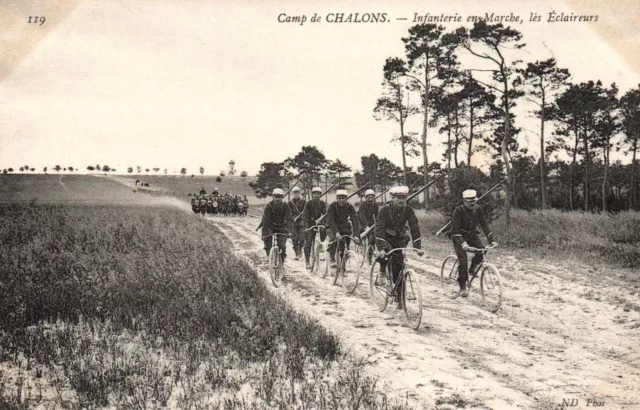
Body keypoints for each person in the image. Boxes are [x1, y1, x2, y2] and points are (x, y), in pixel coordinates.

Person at [375, 186, 424, 309]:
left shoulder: (408, 210)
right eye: (398, 198)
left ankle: (399, 295)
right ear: (392, 198)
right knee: (385, 254)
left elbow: (414, 227)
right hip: (386, 237)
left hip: (399, 239)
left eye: (404, 198)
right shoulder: (384, 210)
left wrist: (418, 247)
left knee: (399, 267)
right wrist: (381, 248)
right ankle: (382, 270)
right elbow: (379, 228)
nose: (401, 200)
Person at [450, 189, 497, 297]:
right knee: (463, 262)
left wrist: (491, 240)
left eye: (474, 201)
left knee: (482, 251)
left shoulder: (478, 209)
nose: (472, 203)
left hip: (472, 235)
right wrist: (463, 244)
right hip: (459, 237)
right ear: (464, 201)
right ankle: (462, 286)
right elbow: (455, 230)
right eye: (469, 201)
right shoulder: (458, 211)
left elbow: (484, 224)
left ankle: (472, 269)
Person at [326, 189, 360, 269]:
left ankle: (343, 265)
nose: (341, 200)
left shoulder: (350, 207)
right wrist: (336, 232)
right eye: (339, 198)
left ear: (346, 199)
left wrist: (356, 235)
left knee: (345, 245)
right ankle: (332, 259)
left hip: (344, 227)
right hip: (332, 227)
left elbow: (355, 220)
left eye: (343, 198)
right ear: (337, 198)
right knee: (334, 238)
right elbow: (331, 221)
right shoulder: (332, 206)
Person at [261, 188, 293, 264]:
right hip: (271, 226)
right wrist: (264, 234)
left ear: (282, 197)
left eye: (279, 197)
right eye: (276, 196)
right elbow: (265, 220)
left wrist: (290, 231)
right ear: (273, 197)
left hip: (282, 227)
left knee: (282, 246)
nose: (277, 199)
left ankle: (281, 263)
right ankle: (270, 258)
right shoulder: (269, 206)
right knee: (267, 241)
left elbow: (289, 219)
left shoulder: (285, 206)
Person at [301, 187, 327, 269]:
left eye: (318, 194)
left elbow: (325, 214)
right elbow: (305, 215)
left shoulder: (323, 203)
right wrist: (305, 226)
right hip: (309, 224)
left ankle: (321, 247)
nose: (317, 195)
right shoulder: (308, 203)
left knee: (324, 230)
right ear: (312, 195)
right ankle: (307, 261)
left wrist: (324, 223)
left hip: (319, 223)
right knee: (308, 241)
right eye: (315, 194)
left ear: (320, 195)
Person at [358, 189, 378, 262]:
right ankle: (360, 245)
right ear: (366, 198)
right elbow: (362, 216)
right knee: (359, 229)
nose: (370, 199)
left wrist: (377, 224)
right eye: (368, 197)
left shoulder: (375, 205)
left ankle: (370, 251)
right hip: (361, 221)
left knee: (373, 235)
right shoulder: (362, 205)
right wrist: (366, 226)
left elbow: (377, 215)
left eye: (372, 197)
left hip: (371, 222)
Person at [288, 186, 306, 260]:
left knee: (302, 238)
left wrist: (302, 218)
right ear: (293, 193)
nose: (296, 194)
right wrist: (292, 218)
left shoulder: (304, 202)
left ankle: (300, 249)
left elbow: (305, 212)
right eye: (295, 192)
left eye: (297, 192)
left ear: (299, 193)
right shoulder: (290, 202)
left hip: (301, 222)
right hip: (293, 223)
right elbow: (288, 213)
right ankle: (297, 253)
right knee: (294, 239)